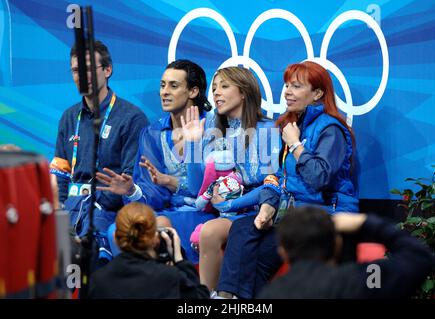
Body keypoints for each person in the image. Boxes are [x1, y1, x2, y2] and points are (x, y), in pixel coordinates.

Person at [216, 61, 359, 299]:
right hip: (293, 213)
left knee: (257, 254)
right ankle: (225, 297)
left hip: (325, 216)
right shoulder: (291, 125)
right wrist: (267, 207)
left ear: (317, 93)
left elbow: (319, 178)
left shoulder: (330, 129)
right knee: (243, 228)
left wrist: (295, 145)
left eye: (296, 86)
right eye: (286, 85)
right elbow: (280, 178)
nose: (287, 92)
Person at [96, 60, 217, 263]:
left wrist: (172, 183)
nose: (164, 92)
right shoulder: (153, 133)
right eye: (162, 85)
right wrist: (132, 190)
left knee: (159, 227)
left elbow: (214, 186)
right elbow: (153, 191)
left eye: (173, 85)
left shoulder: (214, 128)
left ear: (193, 91)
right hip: (166, 211)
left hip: (203, 214)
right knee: (115, 230)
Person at [181, 66, 279, 292]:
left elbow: (270, 184)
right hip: (218, 211)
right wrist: (193, 144)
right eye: (214, 88)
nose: (216, 93)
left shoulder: (267, 129)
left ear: (244, 92)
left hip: (253, 212)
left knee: (210, 231)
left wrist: (230, 204)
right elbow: (198, 188)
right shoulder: (213, 130)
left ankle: (207, 295)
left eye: (224, 86)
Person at [53, 40, 148, 261]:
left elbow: (127, 182)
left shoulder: (132, 118)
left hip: (108, 211)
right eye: (76, 70)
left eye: (87, 69)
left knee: (91, 248)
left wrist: (91, 203)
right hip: (72, 209)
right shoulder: (68, 117)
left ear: (108, 70)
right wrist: (60, 207)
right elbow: (60, 174)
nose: (81, 76)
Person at [257, 206, 435, 298]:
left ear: (282, 251)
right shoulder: (363, 279)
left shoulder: (270, 294)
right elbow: (419, 258)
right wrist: (366, 222)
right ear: (337, 244)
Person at [88, 202, 210, 299]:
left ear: (115, 237)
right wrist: (179, 259)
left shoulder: (98, 280)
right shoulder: (169, 277)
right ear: (156, 238)